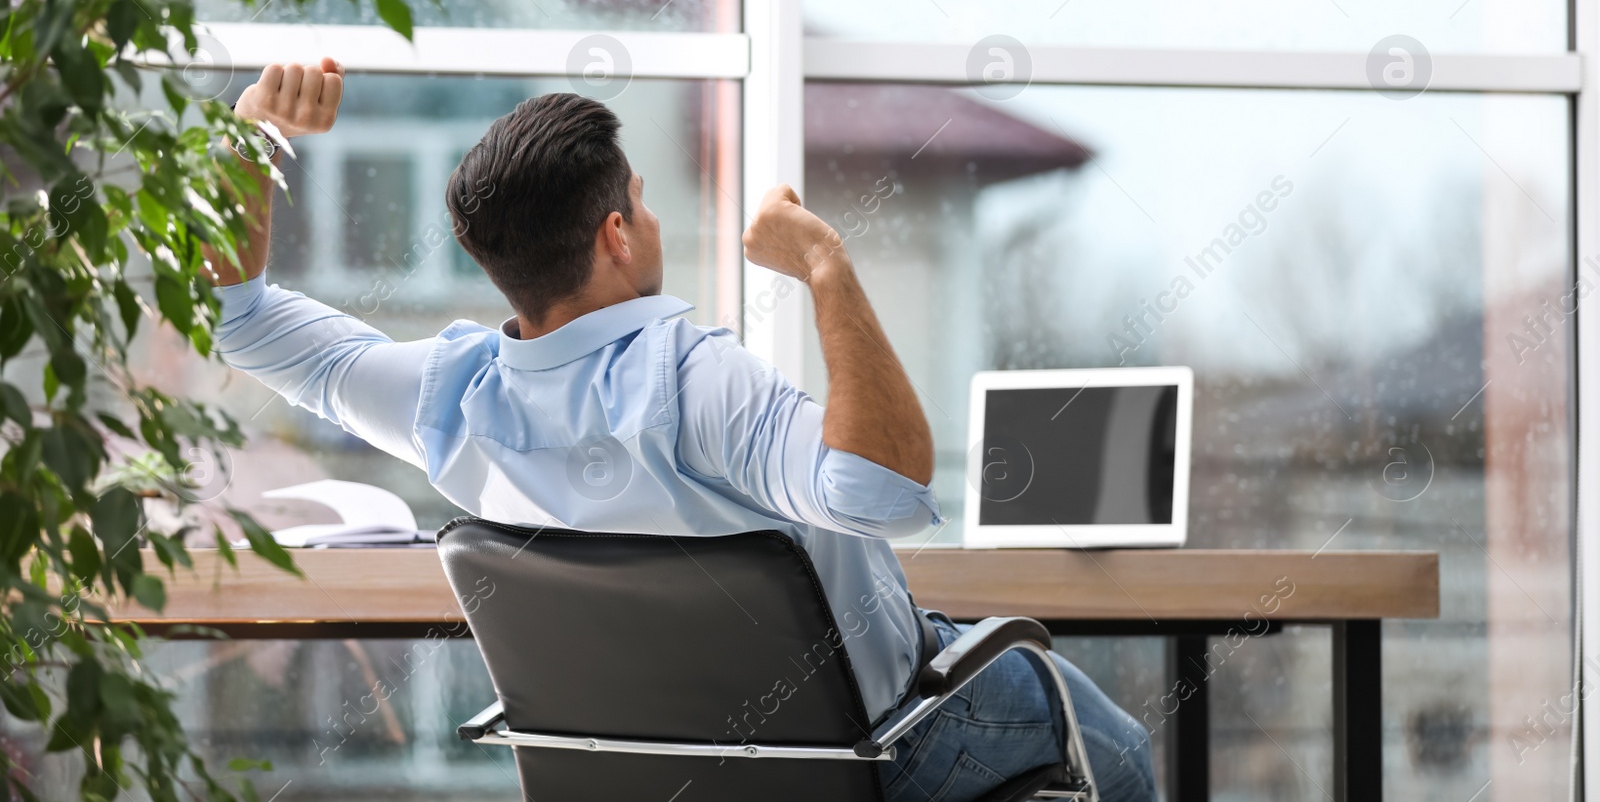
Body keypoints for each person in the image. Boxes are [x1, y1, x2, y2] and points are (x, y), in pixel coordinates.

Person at [206, 58, 1157, 802]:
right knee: (1119, 754)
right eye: (645, 202)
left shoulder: (447, 398)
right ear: (618, 232)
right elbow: (884, 495)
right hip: (870, 746)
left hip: (644, 772)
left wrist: (253, 132)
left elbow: (240, 319)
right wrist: (826, 264)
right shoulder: (694, 380)